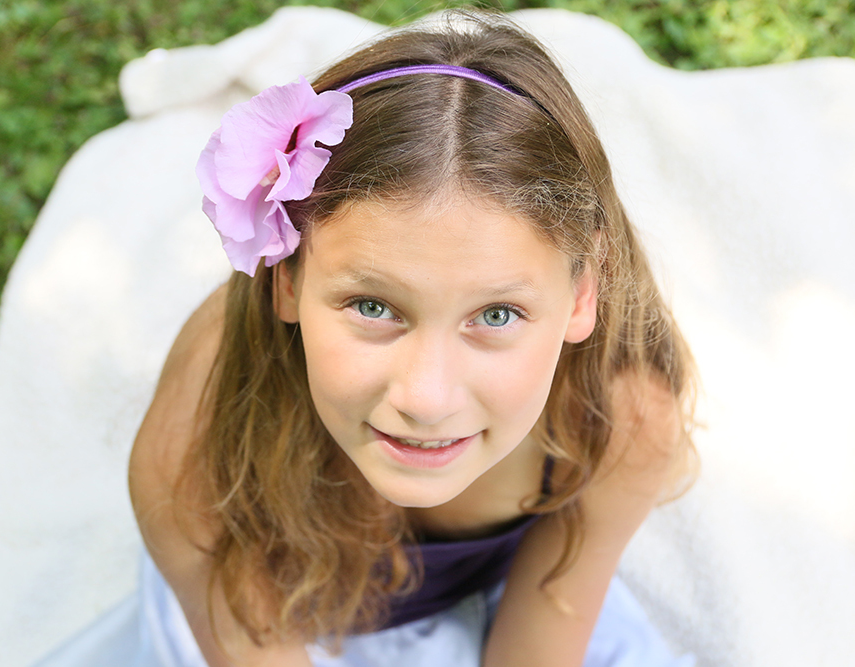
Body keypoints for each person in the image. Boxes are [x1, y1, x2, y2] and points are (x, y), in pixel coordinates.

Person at [128, 9, 697, 667]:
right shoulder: (193, 457)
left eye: (496, 315)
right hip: (267, 613)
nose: (427, 398)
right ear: (286, 278)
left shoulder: (620, 415)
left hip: (505, 597)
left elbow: (546, 626)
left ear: (582, 292)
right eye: (374, 305)